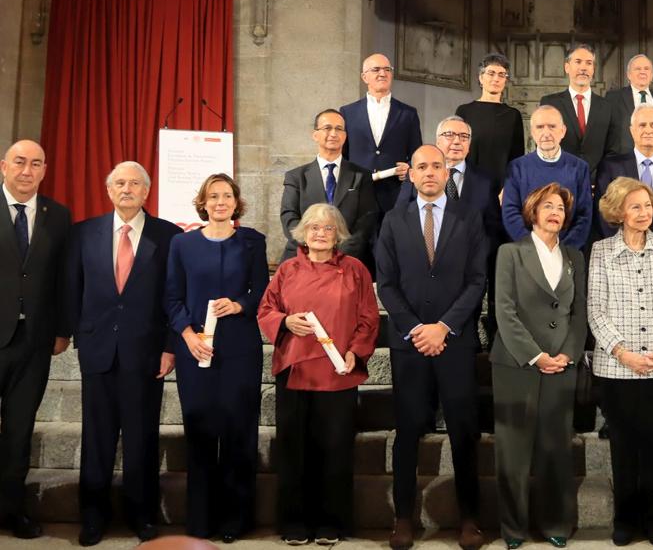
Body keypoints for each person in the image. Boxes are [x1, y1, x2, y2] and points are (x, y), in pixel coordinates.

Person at [376, 145, 486, 550]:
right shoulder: (392, 221)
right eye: (421, 166)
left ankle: (470, 519)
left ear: (446, 172)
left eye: (436, 166)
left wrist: (443, 327)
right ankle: (403, 518)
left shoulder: (468, 218)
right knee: (407, 433)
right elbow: (386, 283)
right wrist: (417, 329)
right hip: (410, 346)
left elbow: (477, 280)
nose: (428, 172)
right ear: (412, 174)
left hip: (454, 343)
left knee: (463, 433)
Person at [65, 162, 181, 545]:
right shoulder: (84, 233)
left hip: (146, 354)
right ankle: (93, 517)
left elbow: (173, 297)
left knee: (141, 438)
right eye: (119, 183)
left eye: (134, 183)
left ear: (147, 191)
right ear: (109, 189)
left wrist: (169, 348)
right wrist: (76, 336)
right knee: (96, 439)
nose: (126, 188)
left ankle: (142, 516)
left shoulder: (168, 236)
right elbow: (74, 289)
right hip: (98, 351)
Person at [258, 204, 379, 545]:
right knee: (294, 450)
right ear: (303, 233)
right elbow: (266, 309)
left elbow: (369, 317)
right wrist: (284, 322)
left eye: (327, 228)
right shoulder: (287, 270)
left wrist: (357, 350)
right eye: (313, 227)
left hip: (338, 371)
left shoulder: (356, 270)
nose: (320, 233)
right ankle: (295, 522)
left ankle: (332, 522)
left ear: (338, 233)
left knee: (335, 449)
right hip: (295, 370)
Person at [164, 173, 269, 542]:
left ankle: (235, 520)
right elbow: (172, 298)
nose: (221, 202)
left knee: (240, 431)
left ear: (236, 202)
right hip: (196, 349)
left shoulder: (253, 241)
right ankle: (201, 520)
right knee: (201, 432)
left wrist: (240, 303)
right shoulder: (182, 244)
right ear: (203, 203)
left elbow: (263, 291)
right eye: (214, 196)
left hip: (240, 347)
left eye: (227, 196)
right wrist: (188, 336)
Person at [589, 178, 653, 547]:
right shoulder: (600, 251)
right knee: (623, 445)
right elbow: (595, 311)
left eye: (647, 205)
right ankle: (625, 518)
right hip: (617, 367)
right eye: (635, 206)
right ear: (618, 212)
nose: (644, 212)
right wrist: (623, 353)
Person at [491, 183, 588, 549]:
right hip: (517, 364)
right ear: (533, 211)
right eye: (547, 206)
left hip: (562, 365)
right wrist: (535, 355)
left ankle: (555, 523)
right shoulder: (509, 253)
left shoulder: (574, 257)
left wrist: (567, 354)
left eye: (560, 208)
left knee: (555, 448)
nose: (554, 213)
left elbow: (579, 313)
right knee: (513, 452)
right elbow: (504, 310)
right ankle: (513, 529)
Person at [0, 141, 70, 542]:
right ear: (5, 166)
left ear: (45, 170)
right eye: (21, 162)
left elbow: (62, 278)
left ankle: (12, 510)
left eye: (37, 164)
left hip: (34, 342)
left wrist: (62, 329)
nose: (28, 170)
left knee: (19, 431)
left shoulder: (57, 216)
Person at [398, 116, 503, 344]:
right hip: (423, 274)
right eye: (449, 135)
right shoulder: (416, 176)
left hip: (467, 278)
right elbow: (400, 223)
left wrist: (473, 257)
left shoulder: (485, 181)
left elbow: (493, 229)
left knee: (463, 339)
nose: (456, 141)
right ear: (437, 140)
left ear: (469, 143)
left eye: (463, 136)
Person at [279, 108, 378, 268]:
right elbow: (289, 216)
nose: (333, 133)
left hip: (349, 259)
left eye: (339, 129)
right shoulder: (296, 177)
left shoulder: (361, 175)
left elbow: (367, 219)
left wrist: (338, 255)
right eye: (327, 128)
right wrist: (315, 249)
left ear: (345, 136)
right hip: (303, 258)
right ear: (315, 135)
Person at [341, 53, 423, 213]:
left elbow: (416, 153)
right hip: (358, 192)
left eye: (387, 69)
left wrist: (409, 168)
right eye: (376, 69)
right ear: (364, 77)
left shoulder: (408, 113)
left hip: (396, 194)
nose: (382, 74)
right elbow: (343, 155)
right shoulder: (347, 112)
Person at [502, 106, 592, 250]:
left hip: (567, 253)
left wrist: (562, 249)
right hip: (527, 253)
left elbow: (584, 215)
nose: (546, 133)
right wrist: (533, 247)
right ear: (532, 132)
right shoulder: (516, 167)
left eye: (552, 126)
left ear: (563, 131)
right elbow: (510, 212)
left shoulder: (579, 168)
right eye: (540, 127)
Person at [594, 105, 653, 244]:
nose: (648, 130)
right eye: (642, 125)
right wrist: (626, 245)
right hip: (619, 252)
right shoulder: (610, 167)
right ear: (632, 130)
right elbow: (602, 214)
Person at [539, 42, 619, 177]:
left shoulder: (607, 106)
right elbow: (543, 145)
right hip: (558, 180)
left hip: (596, 184)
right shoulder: (550, 103)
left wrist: (600, 180)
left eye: (588, 63)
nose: (583, 68)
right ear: (567, 67)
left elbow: (612, 150)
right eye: (578, 62)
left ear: (593, 69)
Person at [456, 53, 526, 183]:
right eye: (491, 73)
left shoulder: (513, 115)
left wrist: (509, 188)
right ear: (481, 78)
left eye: (501, 74)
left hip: (502, 188)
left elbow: (517, 158)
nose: (496, 78)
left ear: (506, 80)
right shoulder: (464, 111)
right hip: (468, 184)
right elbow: (457, 152)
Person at [610, 54, 653, 157]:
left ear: (652, 75)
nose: (642, 71)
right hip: (623, 164)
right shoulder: (613, 98)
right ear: (629, 75)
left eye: (646, 68)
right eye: (637, 69)